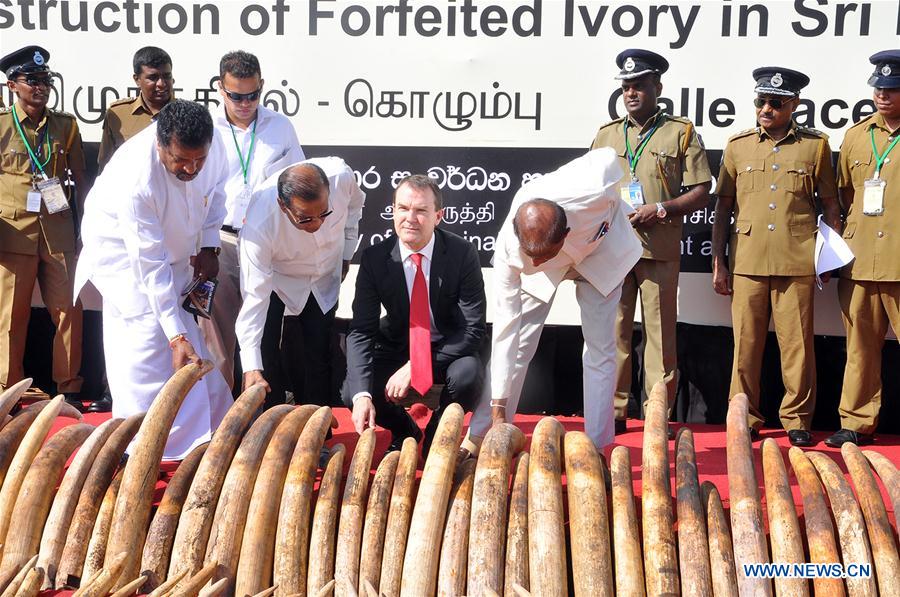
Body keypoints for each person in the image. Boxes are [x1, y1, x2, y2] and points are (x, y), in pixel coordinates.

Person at [74, 100, 232, 460]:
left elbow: (218, 192)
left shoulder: (214, 144)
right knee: (148, 342)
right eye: (180, 160)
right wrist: (175, 335)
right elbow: (150, 264)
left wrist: (210, 245)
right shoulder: (135, 176)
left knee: (188, 345)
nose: (191, 168)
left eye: (198, 161)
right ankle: (143, 448)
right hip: (126, 263)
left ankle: (208, 436)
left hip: (177, 256)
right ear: (160, 143)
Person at [463, 148, 642, 454]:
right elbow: (506, 330)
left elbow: (609, 157)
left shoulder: (594, 185)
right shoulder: (512, 250)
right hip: (553, 245)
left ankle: (598, 448)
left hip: (601, 249)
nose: (536, 263)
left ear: (564, 235)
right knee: (519, 343)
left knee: (601, 350)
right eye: (532, 258)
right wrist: (498, 406)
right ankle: (480, 435)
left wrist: (621, 206)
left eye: (544, 256)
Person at [712, 67, 839, 447]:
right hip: (748, 261)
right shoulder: (738, 146)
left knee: (797, 345)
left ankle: (797, 418)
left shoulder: (815, 146)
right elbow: (723, 208)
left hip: (796, 259)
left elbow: (830, 204)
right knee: (745, 346)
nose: (766, 109)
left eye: (775, 103)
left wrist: (829, 258)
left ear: (794, 105)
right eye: (761, 101)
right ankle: (744, 416)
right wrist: (719, 261)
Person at [590, 49, 711, 431]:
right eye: (626, 87)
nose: (631, 93)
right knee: (616, 332)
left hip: (658, 247)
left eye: (639, 85)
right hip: (613, 250)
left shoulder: (680, 132)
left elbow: (702, 190)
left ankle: (658, 413)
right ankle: (616, 410)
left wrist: (659, 209)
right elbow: (589, 190)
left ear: (657, 87)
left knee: (660, 336)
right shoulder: (606, 134)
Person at [344, 174, 486, 456]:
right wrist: (361, 398)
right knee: (353, 389)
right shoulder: (375, 258)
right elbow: (361, 330)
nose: (410, 218)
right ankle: (404, 429)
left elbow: (473, 329)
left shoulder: (462, 253)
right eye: (403, 208)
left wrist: (417, 366)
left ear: (438, 216)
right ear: (393, 210)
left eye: (421, 210)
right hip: (397, 344)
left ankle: (436, 432)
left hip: (448, 348)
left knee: (469, 375)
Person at [199, 50, 304, 393]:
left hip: (267, 244)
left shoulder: (280, 127)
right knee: (219, 340)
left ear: (262, 87)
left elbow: (299, 182)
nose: (245, 103)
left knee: (262, 338)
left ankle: (261, 421)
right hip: (221, 243)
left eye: (253, 94)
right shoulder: (206, 129)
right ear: (219, 88)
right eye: (235, 96)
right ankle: (221, 423)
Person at [236, 158, 365, 409]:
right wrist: (251, 366)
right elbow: (254, 298)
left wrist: (347, 251)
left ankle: (317, 430)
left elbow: (355, 207)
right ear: (282, 206)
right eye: (305, 219)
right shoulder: (259, 224)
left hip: (325, 276)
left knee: (317, 355)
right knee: (266, 353)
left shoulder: (341, 176)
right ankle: (270, 430)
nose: (317, 224)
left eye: (324, 213)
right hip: (278, 279)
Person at [0, 45, 86, 411]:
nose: (40, 87)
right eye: (31, 80)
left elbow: (80, 179)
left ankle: (70, 388)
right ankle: (10, 391)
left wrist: (86, 228)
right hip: (13, 231)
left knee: (68, 309)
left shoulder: (65, 126)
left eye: (45, 80)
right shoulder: (2, 125)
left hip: (57, 230)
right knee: (10, 316)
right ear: (12, 85)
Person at [825, 50, 900, 447]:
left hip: (899, 262)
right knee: (859, 347)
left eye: (892, 89)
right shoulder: (856, 135)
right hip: (860, 260)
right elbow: (844, 194)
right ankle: (856, 422)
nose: (882, 95)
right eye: (879, 88)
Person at [97, 46, 174, 171]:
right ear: (137, 79)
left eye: (167, 76)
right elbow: (106, 165)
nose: (161, 83)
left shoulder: (187, 115)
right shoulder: (118, 115)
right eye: (153, 78)